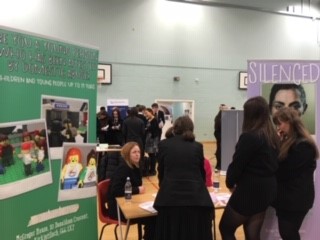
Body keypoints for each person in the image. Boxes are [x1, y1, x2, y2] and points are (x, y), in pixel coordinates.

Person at [219, 96, 280, 240]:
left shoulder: (250, 137)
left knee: (225, 228)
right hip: (267, 189)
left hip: (250, 191)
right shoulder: (272, 136)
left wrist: (229, 183)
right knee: (253, 234)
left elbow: (237, 165)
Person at [154, 116, 214, 240]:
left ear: (175, 128)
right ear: (191, 129)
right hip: (196, 199)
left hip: (170, 199)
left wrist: (164, 187)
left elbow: (161, 172)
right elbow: (201, 174)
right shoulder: (197, 146)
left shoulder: (164, 144)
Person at [272, 107, 318, 240]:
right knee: (287, 233)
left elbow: (285, 172)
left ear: (290, 122)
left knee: (288, 233)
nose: (278, 127)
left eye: (280, 123)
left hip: (295, 199)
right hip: (288, 197)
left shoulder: (303, 146)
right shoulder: (289, 141)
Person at [106, 142, 156, 240]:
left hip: (129, 202)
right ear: (127, 154)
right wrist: (137, 190)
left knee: (155, 216)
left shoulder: (135, 167)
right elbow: (116, 190)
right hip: (118, 208)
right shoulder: (123, 168)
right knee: (153, 219)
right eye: (134, 152)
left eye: (138, 152)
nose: (137, 154)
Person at [144, 108, 159, 176]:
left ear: (150, 112)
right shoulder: (148, 119)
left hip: (153, 139)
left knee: (152, 155)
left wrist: (146, 129)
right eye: (145, 113)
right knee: (150, 154)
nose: (146, 114)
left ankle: (153, 170)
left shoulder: (155, 120)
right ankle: (151, 169)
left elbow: (153, 130)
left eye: (147, 113)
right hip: (148, 139)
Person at [213, 104, 229, 171]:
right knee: (220, 149)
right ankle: (219, 165)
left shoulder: (222, 116)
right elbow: (219, 126)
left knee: (220, 149)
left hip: (221, 134)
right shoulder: (219, 117)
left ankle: (221, 164)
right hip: (219, 134)